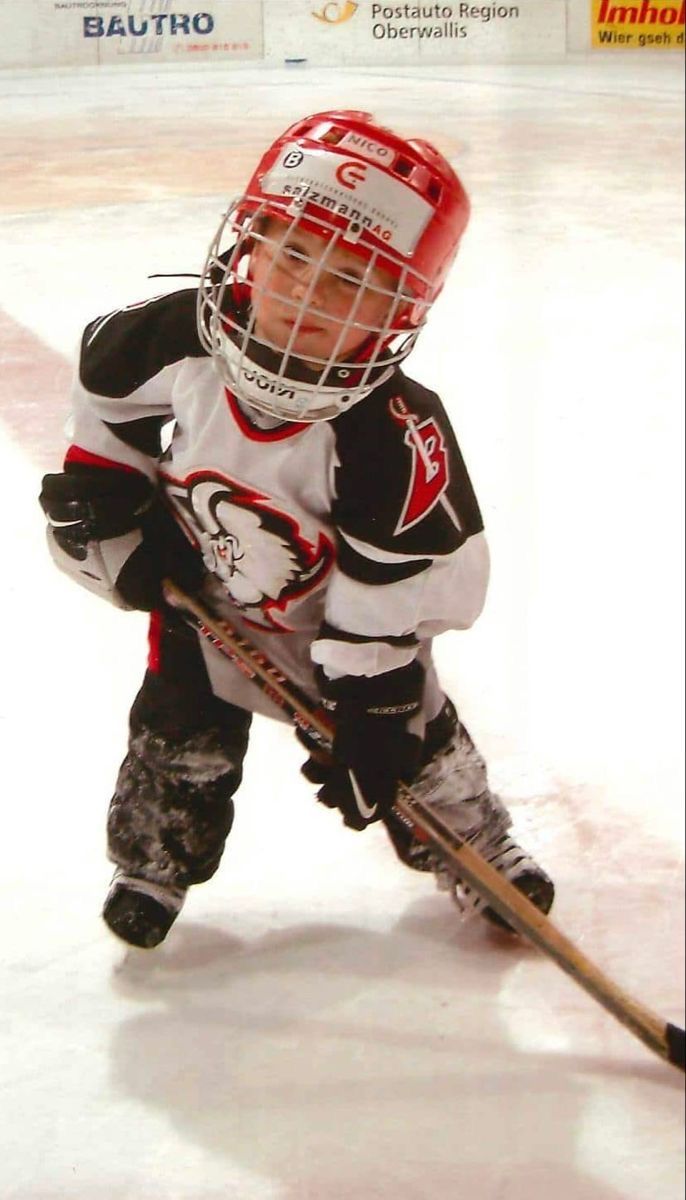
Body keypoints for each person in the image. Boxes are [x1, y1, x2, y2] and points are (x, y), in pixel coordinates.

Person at [39, 110, 554, 950]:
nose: (306, 296)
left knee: (414, 746)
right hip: (205, 594)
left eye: (351, 281)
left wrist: (371, 696)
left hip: (338, 630)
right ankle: (152, 865)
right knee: (176, 739)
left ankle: (480, 844)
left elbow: (399, 575)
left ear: (402, 304)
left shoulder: (392, 433)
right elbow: (104, 412)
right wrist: (113, 516)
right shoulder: (176, 336)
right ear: (248, 243)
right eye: (292, 255)